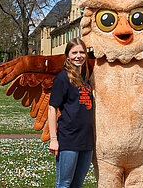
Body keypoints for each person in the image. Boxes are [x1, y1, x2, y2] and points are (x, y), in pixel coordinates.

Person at [48, 38, 94, 188]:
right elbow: (52, 108)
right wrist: (53, 139)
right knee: (64, 183)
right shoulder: (62, 78)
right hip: (69, 140)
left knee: (78, 184)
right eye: (74, 52)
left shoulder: (85, 80)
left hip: (86, 141)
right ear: (67, 55)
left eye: (82, 52)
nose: (78, 56)